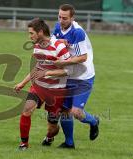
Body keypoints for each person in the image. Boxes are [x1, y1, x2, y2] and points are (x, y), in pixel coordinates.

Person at [44, 4, 100, 148]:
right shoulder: (57, 27)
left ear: (72, 18)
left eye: (65, 18)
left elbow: (82, 57)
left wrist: (63, 62)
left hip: (83, 76)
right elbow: (53, 45)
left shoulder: (77, 32)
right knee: (64, 110)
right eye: (59, 17)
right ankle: (69, 143)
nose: (61, 20)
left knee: (76, 112)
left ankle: (93, 121)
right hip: (68, 75)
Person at [14, 18, 72, 150]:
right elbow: (37, 68)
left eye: (31, 33)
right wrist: (23, 83)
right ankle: (24, 144)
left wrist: (47, 73)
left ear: (40, 32)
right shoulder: (36, 47)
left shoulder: (59, 46)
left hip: (56, 90)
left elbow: (67, 71)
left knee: (52, 127)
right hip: (38, 87)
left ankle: (50, 136)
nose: (30, 36)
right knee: (26, 110)